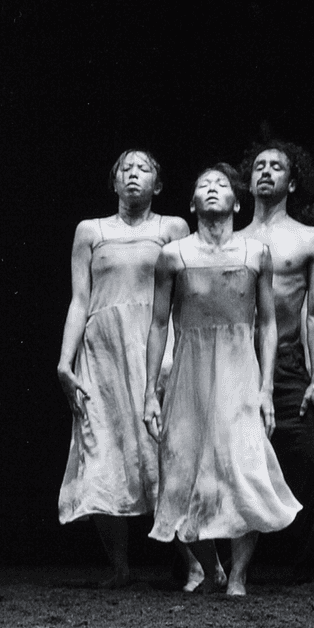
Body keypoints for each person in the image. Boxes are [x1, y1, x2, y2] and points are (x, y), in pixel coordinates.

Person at [143, 165, 301, 595]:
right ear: (192, 204)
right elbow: (158, 325)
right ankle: (207, 566)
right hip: (189, 372)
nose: (212, 190)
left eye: (222, 186)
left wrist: (267, 387)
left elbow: (267, 323)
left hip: (238, 370)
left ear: (236, 202)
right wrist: (149, 393)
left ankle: (239, 574)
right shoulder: (173, 255)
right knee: (186, 468)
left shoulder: (256, 253)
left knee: (243, 467)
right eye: (202, 186)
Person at [57, 150, 190, 587]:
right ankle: (119, 567)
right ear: (113, 182)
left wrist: (177, 352)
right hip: (102, 352)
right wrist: (64, 360)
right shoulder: (89, 231)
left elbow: (184, 296)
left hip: (155, 345)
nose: (133, 175)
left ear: (159, 184)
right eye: (125, 170)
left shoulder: (171, 228)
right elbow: (80, 299)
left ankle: (193, 561)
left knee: (163, 451)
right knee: (101, 451)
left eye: (144, 169)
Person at [240, 138, 314, 584]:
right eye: (258, 166)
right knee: (236, 457)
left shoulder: (309, 239)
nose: (265, 172)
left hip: (286, 359)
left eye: (276, 167)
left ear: (292, 180)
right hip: (236, 358)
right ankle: (240, 563)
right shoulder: (234, 239)